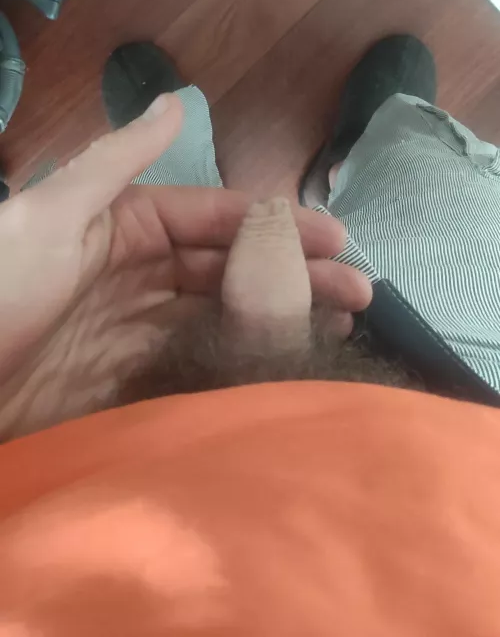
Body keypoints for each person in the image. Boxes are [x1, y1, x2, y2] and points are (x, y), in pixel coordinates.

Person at [0, 33, 499, 635]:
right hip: (465, 443)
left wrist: (14, 402)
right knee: (429, 195)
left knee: (143, 206)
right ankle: (359, 158)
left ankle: (190, 162)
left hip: (59, 466)